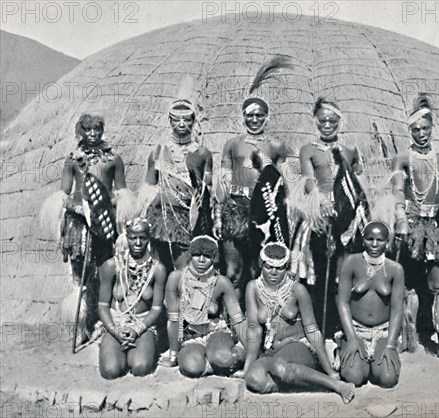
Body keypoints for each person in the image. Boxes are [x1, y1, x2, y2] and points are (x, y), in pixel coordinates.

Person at [40, 113, 134, 344]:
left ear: (102, 131)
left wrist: (110, 205)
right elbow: (64, 192)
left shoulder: (113, 160)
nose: (93, 135)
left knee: (107, 271)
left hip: (104, 222)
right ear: (81, 132)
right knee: (78, 276)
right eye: (88, 130)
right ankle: (80, 325)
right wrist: (77, 207)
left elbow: (121, 191)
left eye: (97, 130)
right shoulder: (73, 160)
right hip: (78, 225)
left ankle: (107, 324)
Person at [390, 93, 439, 363]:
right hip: (410, 225)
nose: (421, 134)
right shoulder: (402, 158)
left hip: (436, 226)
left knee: (438, 286)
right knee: (408, 284)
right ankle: (407, 338)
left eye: (425, 129)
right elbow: (398, 189)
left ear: (432, 129)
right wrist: (400, 218)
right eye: (416, 129)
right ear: (409, 130)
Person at [240, 242, 355, 404]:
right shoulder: (253, 288)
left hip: (299, 346)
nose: (273, 272)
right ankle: (297, 384)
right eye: (268, 267)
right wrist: (247, 367)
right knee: (254, 378)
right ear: (261, 265)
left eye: (279, 268)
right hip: (272, 350)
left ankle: (336, 385)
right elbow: (254, 330)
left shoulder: (297, 290)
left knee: (279, 365)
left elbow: (312, 330)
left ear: (286, 268)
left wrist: (329, 370)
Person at [213, 58, 290, 298]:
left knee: (261, 270)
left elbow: (284, 186)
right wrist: (218, 218)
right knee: (233, 271)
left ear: (267, 117)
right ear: (243, 117)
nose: (254, 120)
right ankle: (232, 323)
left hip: (264, 218)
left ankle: (261, 320)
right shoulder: (232, 145)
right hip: (235, 213)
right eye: (250, 115)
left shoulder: (276, 146)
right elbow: (222, 186)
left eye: (259, 115)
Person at [290, 97, 366, 338]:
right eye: (323, 120)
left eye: (332, 121)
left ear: (339, 122)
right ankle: (318, 328)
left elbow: (354, 184)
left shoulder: (350, 151)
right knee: (318, 273)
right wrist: (321, 203)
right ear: (316, 121)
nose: (327, 125)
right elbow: (309, 181)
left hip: (345, 221)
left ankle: (341, 326)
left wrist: (350, 213)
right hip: (318, 219)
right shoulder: (308, 151)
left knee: (342, 274)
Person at [140, 98, 213, 272]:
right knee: (158, 268)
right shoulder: (158, 151)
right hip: (159, 214)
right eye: (176, 119)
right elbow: (148, 189)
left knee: (184, 269)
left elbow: (208, 190)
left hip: (187, 217)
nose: (182, 124)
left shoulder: (202, 154)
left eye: (187, 119)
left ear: (194, 121)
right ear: (170, 121)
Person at [161, 235, 247, 376]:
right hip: (190, 336)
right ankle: (214, 364)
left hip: (216, 331)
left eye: (207, 256)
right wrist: (173, 355)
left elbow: (238, 320)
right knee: (192, 367)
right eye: (197, 255)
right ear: (190, 256)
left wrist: (249, 353)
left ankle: (225, 358)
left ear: (214, 258)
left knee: (224, 359)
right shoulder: (176, 278)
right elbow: (173, 320)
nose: (201, 260)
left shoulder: (221, 282)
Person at [97, 217, 168, 379]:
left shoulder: (158, 269)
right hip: (116, 323)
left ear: (148, 239)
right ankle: (112, 345)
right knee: (111, 371)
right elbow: (102, 304)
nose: (137, 243)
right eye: (132, 237)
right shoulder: (112, 266)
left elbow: (157, 308)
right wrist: (115, 331)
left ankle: (142, 348)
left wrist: (137, 330)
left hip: (142, 325)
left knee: (140, 367)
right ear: (126, 237)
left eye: (142, 238)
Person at [336, 222, 405, 387]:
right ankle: (343, 349)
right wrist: (352, 339)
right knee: (355, 377)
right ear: (363, 240)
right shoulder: (351, 262)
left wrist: (390, 344)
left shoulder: (395, 269)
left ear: (387, 241)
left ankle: (375, 360)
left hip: (382, 331)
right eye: (370, 239)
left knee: (388, 379)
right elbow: (343, 303)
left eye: (380, 240)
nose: (374, 244)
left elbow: (397, 309)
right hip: (355, 329)